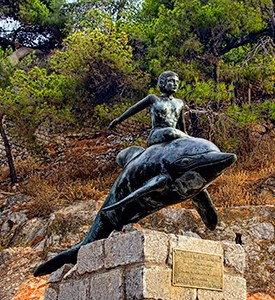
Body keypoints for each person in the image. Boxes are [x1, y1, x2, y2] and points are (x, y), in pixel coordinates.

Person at [108, 71, 188, 146]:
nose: (175, 84)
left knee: (174, 133)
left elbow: (181, 123)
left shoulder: (180, 102)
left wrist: (186, 136)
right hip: (157, 133)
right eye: (171, 81)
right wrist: (118, 120)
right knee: (171, 131)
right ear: (162, 83)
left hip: (173, 135)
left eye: (177, 82)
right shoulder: (153, 98)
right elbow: (134, 109)